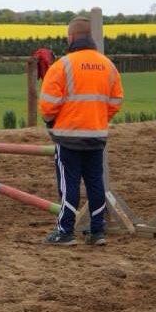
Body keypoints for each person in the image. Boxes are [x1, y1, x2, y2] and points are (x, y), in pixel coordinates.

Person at [38, 17, 123, 246]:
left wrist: (50, 122)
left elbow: (48, 104)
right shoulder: (108, 65)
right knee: (96, 182)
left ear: (72, 37)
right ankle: (98, 232)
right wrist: (99, 119)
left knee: (69, 185)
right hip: (96, 134)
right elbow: (116, 101)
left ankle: (65, 231)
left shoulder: (62, 65)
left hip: (68, 136)